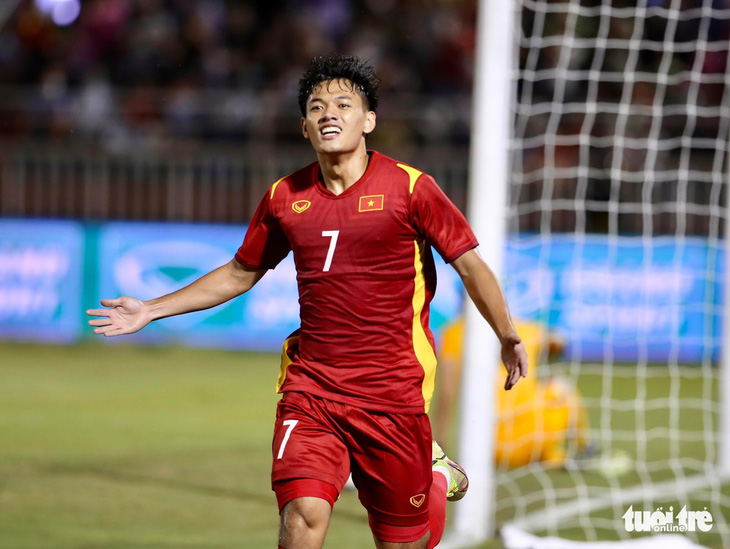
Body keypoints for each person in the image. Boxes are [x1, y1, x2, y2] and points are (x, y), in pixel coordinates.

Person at [87, 55, 528, 549]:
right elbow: (239, 272)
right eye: (317, 107)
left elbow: (469, 264)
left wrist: (506, 334)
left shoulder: (411, 188)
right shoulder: (284, 197)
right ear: (304, 126)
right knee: (302, 516)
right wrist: (151, 308)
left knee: (403, 542)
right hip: (312, 388)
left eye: (344, 104)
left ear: (369, 121)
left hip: (392, 391)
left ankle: (436, 475)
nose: (329, 114)